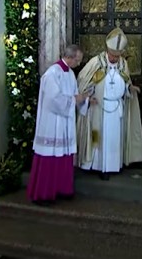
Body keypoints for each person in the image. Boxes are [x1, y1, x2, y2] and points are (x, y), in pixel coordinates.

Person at [76, 28, 142, 180]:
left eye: (117, 55)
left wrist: (129, 88)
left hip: (116, 108)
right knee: (97, 138)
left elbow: (126, 81)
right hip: (98, 108)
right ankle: (97, 166)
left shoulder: (123, 64)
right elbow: (83, 81)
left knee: (114, 138)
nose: (114, 58)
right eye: (113, 55)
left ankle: (113, 165)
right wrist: (88, 96)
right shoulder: (96, 63)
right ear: (107, 49)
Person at [26, 45, 86, 206]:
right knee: (50, 156)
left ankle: (63, 189)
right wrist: (74, 100)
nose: (79, 63)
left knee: (63, 155)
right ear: (70, 57)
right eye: (78, 60)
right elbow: (53, 100)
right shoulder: (52, 74)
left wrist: (84, 100)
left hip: (64, 123)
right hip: (52, 123)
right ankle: (43, 194)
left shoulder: (70, 74)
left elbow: (73, 94)